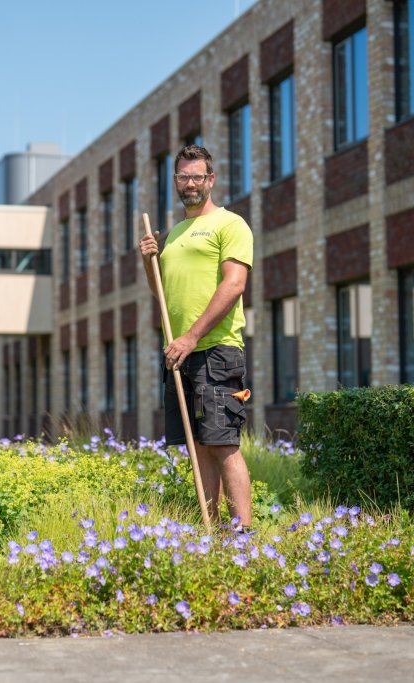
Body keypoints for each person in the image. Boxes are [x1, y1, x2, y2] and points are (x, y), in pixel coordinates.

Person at [139, 144, 254, 528]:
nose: (190, 184)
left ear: (211, 180)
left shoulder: (230, 224)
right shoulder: (172, 234)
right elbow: (162, 293)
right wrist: (148, 262)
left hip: (216, 350)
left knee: (223, 444)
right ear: (175, 181)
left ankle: (244, 538)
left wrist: (190, 337)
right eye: (184, 177)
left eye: (197, 176)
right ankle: (213, 532)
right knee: (198, 447)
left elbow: (234, 284)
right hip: (180, 353)